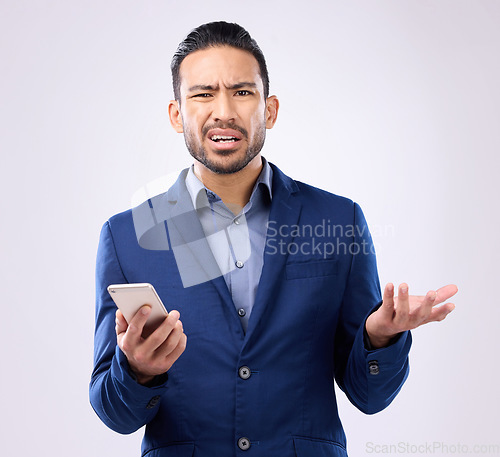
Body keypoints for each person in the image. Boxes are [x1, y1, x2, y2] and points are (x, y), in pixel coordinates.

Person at [90, 21, 457, 457]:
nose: (223, 110)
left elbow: (369, 395)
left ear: (270, 110)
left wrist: (379, 339)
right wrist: (137, 371)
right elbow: (114, 414)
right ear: (176, 114)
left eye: (242, 92)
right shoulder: (127, 236)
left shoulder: (338, 220)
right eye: (203, 94)